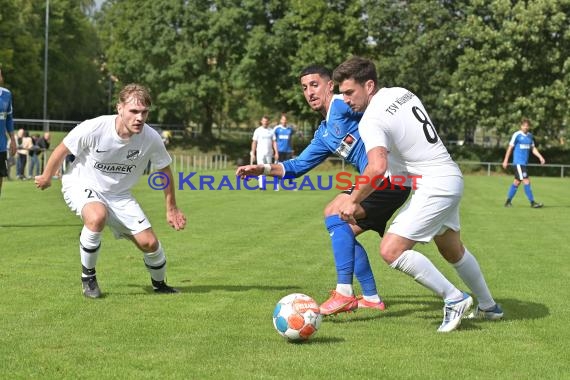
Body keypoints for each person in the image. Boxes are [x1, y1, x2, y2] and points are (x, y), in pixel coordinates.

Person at [333, 56, 502, 332]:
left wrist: (352, 199)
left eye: (350, 92)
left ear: (369, 85)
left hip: (434, 184)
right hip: (449, 176)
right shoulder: (401, 93)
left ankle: (454, 298)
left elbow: (377, 167)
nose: (346, 99)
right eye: (341, 94)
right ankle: (489, 307)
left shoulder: (371, 119)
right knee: (451, 250)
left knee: (391, 250)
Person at [237, 65, 411, 315]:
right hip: (378, 182)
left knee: (333, 213)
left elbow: (373, 104)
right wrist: (262, 169)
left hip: (387, 177)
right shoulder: (324, 133)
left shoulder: (342, 104)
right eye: (304, 87)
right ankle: (371, 298)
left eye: (315, 85)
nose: (309, 92)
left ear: (331, 86)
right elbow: (296, 167)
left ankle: (344, 293)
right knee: (343, 230)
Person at [35, 83, 186, 298]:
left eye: (144, 112)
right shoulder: (95, 127)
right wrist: (47, 176)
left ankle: (160, 285)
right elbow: (62, 148)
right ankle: (88, 279)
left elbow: (165, 171)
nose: (139, 118)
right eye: (134, 111)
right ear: (120, 108)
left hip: (119, 196)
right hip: (82, 184)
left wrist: (171, 208)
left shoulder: (151, 138)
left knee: (149, 243)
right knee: (97, 216)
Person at [502, 118, 545, 208]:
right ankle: (532, 202)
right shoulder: (517, 135)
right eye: (524, 125)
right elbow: (510, 148)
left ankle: (508, 202)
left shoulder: (530, 136)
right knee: (526, 181)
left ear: (529, 127)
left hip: (524, 163)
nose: (525, 127)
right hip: (518, 163)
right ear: (521, 126)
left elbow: (533, 148)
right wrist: (505, 160)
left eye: (527, 126)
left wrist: (540, 157)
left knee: (516, 182)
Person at [0, 68, 17, 196]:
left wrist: (13, 140)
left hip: (1, 145)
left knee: (0, 176)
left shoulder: (7, 94)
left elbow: (9, 119)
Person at [250, 115, 278, 190]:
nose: (265, 122)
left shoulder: (271, 131)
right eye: (264, 121)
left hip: (269, 153)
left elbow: (274, 142)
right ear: (261, 121)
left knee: (269, 169)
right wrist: (253, 153)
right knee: (260, 169)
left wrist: (276, 152)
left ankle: (275, 185)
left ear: (268, 122)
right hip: (260, 153)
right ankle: (262, 186)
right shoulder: (257, 130)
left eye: (266, 121)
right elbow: (254, 142)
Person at [273, 114, 295, 187]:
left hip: (288, 151)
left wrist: (292, 149)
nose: (284, 121)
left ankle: (291, 184)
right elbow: (274, 141)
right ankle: (276, 185)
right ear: (280, 120)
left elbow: (291, 140)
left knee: (290, 167)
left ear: (287, 121)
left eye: (285, 120)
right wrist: (275, 152)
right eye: (283, 119)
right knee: (278, 167)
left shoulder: (290, 129)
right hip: (280, 151)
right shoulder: (277, 129)